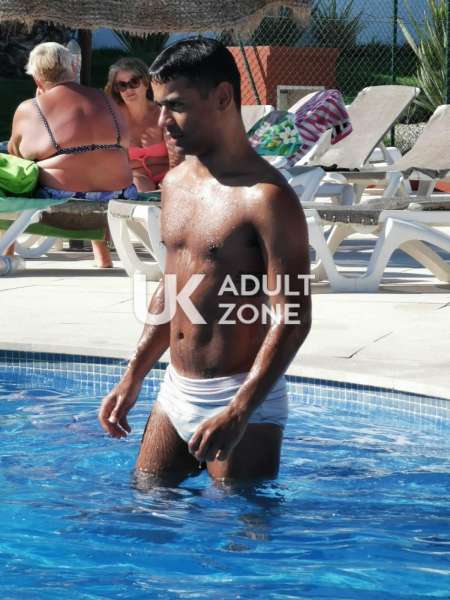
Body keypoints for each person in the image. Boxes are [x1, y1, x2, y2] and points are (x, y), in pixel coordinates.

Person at [98, 39, 312, 484]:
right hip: (176, 391)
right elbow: (173, 288)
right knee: (146, 501)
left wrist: (239, 410)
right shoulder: (175, 183)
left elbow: (293, 318)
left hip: (241, 397)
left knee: (240, 519)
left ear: (223, 97)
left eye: (176, 106)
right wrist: (134, 375)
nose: (162, 121)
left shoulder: (267, 198)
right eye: (159, 105)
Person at [8, 42, 135, 268]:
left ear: (37, 79)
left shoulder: (32, 108)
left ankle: (7, 251)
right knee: (91, 156)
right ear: (74, 68)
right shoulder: (105, 99)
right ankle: (102, 256)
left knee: (13, 174)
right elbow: (125, 144)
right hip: (121, 192)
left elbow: (18, 155)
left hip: (63, 194)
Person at [105, 57, 182, 192]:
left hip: (167, 174)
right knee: (139, 187)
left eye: (134, 82)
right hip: (137, 177)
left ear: (146, 83)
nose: (128, 89)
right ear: (117, 89)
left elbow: (177, 156)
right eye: (122, 85)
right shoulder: (114, 118)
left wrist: (170, 182)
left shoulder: (162, 113)